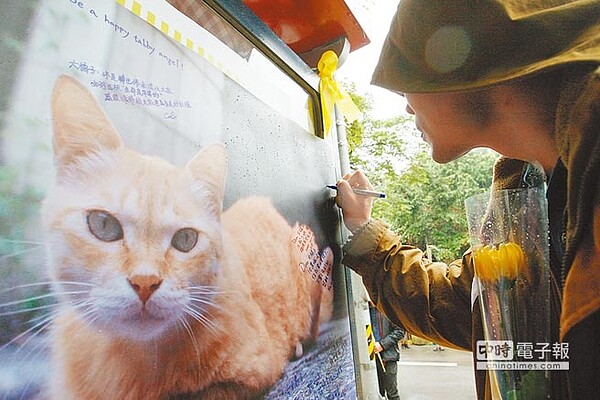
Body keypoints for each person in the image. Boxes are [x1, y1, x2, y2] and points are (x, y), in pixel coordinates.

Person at [334, 1, 600, 398]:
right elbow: (470, 307)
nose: (407, 105)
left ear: (465, 62)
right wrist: (364, 231)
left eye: (410, 76)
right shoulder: (525, 185)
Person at [370, 304, 404, 400]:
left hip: (388, 357)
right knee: (379, 392)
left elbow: (400, 331)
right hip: (373, 358)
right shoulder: (364, 310)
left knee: (392, 393)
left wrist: (382, 345)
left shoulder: (389, 309)